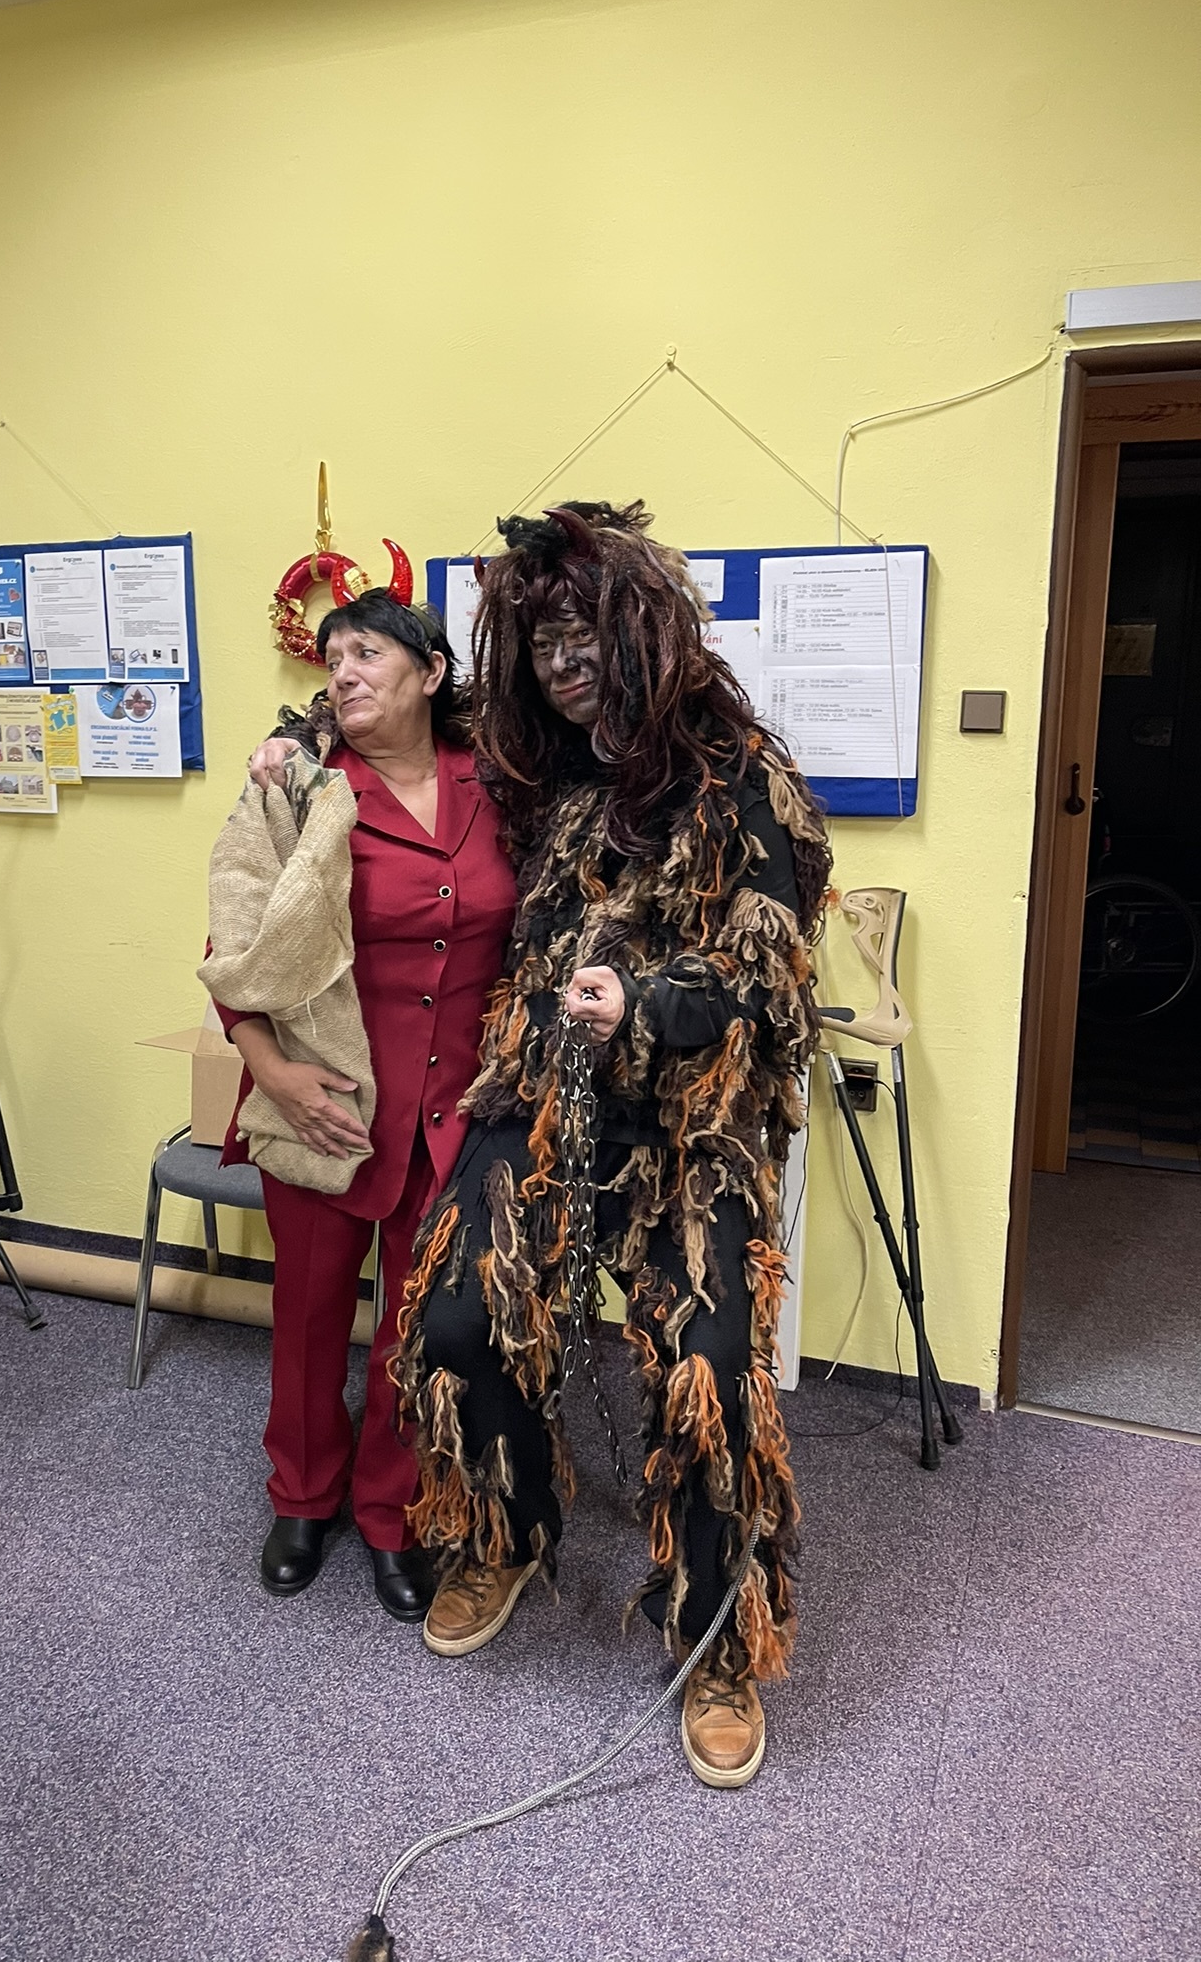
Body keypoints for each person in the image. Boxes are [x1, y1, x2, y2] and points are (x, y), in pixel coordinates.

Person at [391, 503, 831, 1787]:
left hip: (691, 1114)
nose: (562, 662)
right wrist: (299, 736)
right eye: (540, 644)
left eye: (583, 634)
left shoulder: (737, 770)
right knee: (459, 1313)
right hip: (541, 1091)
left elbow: (769, 977)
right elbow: (401, 722)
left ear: (644, 631)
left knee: (708, 1362)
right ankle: (510, 1527)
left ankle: (718, 1635)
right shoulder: (538, 765)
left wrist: (646, 1000)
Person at [216, 594, 517, 1619]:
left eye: (368, 652)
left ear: (430, 673)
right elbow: (232, 950)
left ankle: (391, 1510)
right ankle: (302, 1496)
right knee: (307, 1314)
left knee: (414, 1325)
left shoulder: (498, 786)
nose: (343, 671)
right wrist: (274, 1074)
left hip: (453, 1109)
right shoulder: (300, 786)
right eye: (332, 656)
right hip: (323, 1099)